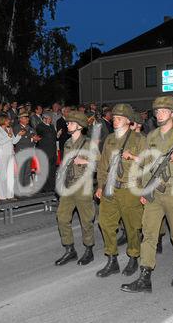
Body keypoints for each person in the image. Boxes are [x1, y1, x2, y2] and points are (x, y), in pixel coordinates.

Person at [121, 96, 173, 293]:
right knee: (148, 234)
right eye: (157, 111)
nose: (159, 113)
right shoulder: (151, 136)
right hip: (153, 191)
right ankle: (145, 277)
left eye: (164, 110)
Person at [95, 104, 146, 278]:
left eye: (119, 118)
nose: (114, 121)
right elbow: (102, 165)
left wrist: (133, 157)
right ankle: (112, 259)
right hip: (110, 188)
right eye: (114, 118)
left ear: (128, 120)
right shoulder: (109, 139)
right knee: (105, 223)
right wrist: (100, 186)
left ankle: (133, 257)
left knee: (132, 227)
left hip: (130, 190)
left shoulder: (139, 139)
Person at [54, 111, 98, 266]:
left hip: (83, 186)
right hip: (68, 186)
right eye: (67, 123)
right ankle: (69, 249)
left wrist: (85, 162)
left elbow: (100, 164)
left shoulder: (88, 144)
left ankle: (89, 249)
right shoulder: (67, 143)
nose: (68, 125)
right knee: (62, 217)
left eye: (71, 123)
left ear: (79, 126)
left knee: (86, 220)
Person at [0, 114, 24, 200]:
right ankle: (2, 196)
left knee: (10, 176)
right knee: (2, 175)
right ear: (2, 121)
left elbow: (13, 141)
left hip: (10, 154)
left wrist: (19, 135)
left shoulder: (9, 129)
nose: (9, 121)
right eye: (7, 120)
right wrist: (9, 135)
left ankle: (10, 195)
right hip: (2, 154)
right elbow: (1, 141)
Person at [13, 111, 40, 191]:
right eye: (25, 117)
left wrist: (35, 140)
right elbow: (20, 141)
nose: (28, 119)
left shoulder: (31, 128)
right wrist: (31, 138)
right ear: (20, 119)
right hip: (21, 151)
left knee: (28, 170)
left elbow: (34, 137)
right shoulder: (16, 128)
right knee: (21, 171)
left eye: (28, 117)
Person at [35, 111, 58, 193]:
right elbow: (43, 135)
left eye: (51, 119)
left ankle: (52, 186)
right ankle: (44, 188)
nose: (50, 120)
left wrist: (57, 134)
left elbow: (54, 137)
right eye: (49, 119)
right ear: (44, 119)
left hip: (52, 151)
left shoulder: (51, 126)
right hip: (45, 151)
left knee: (52, 170)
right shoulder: (40, 126)